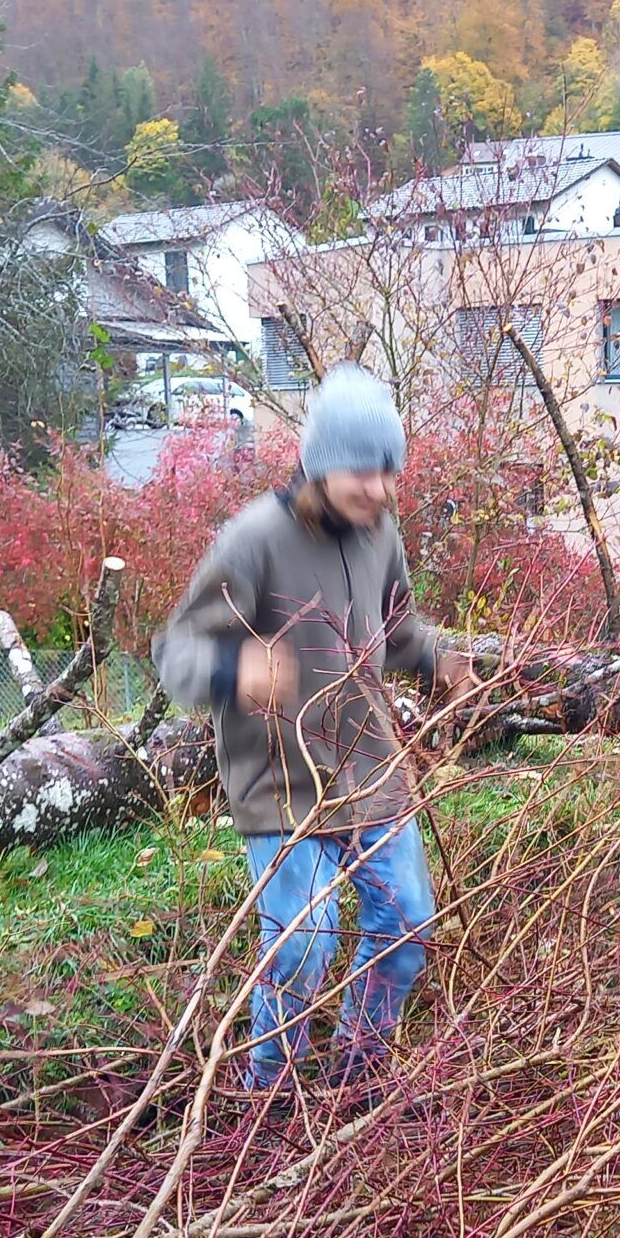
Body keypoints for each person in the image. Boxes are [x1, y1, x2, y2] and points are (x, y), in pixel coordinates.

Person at [153, 365, 470, 1094]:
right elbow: (174, 657)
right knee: (304, 944)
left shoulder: (379, 531)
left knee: (408, 925)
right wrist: (242, 670)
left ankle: (358, 1075)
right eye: (366, 471)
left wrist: (440, 660)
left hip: (369, 768)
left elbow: (392, 631)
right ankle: (273, 1091)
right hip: (281, 777)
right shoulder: (255, 539)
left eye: (390, 473)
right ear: (323, 462)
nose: (381, 490)